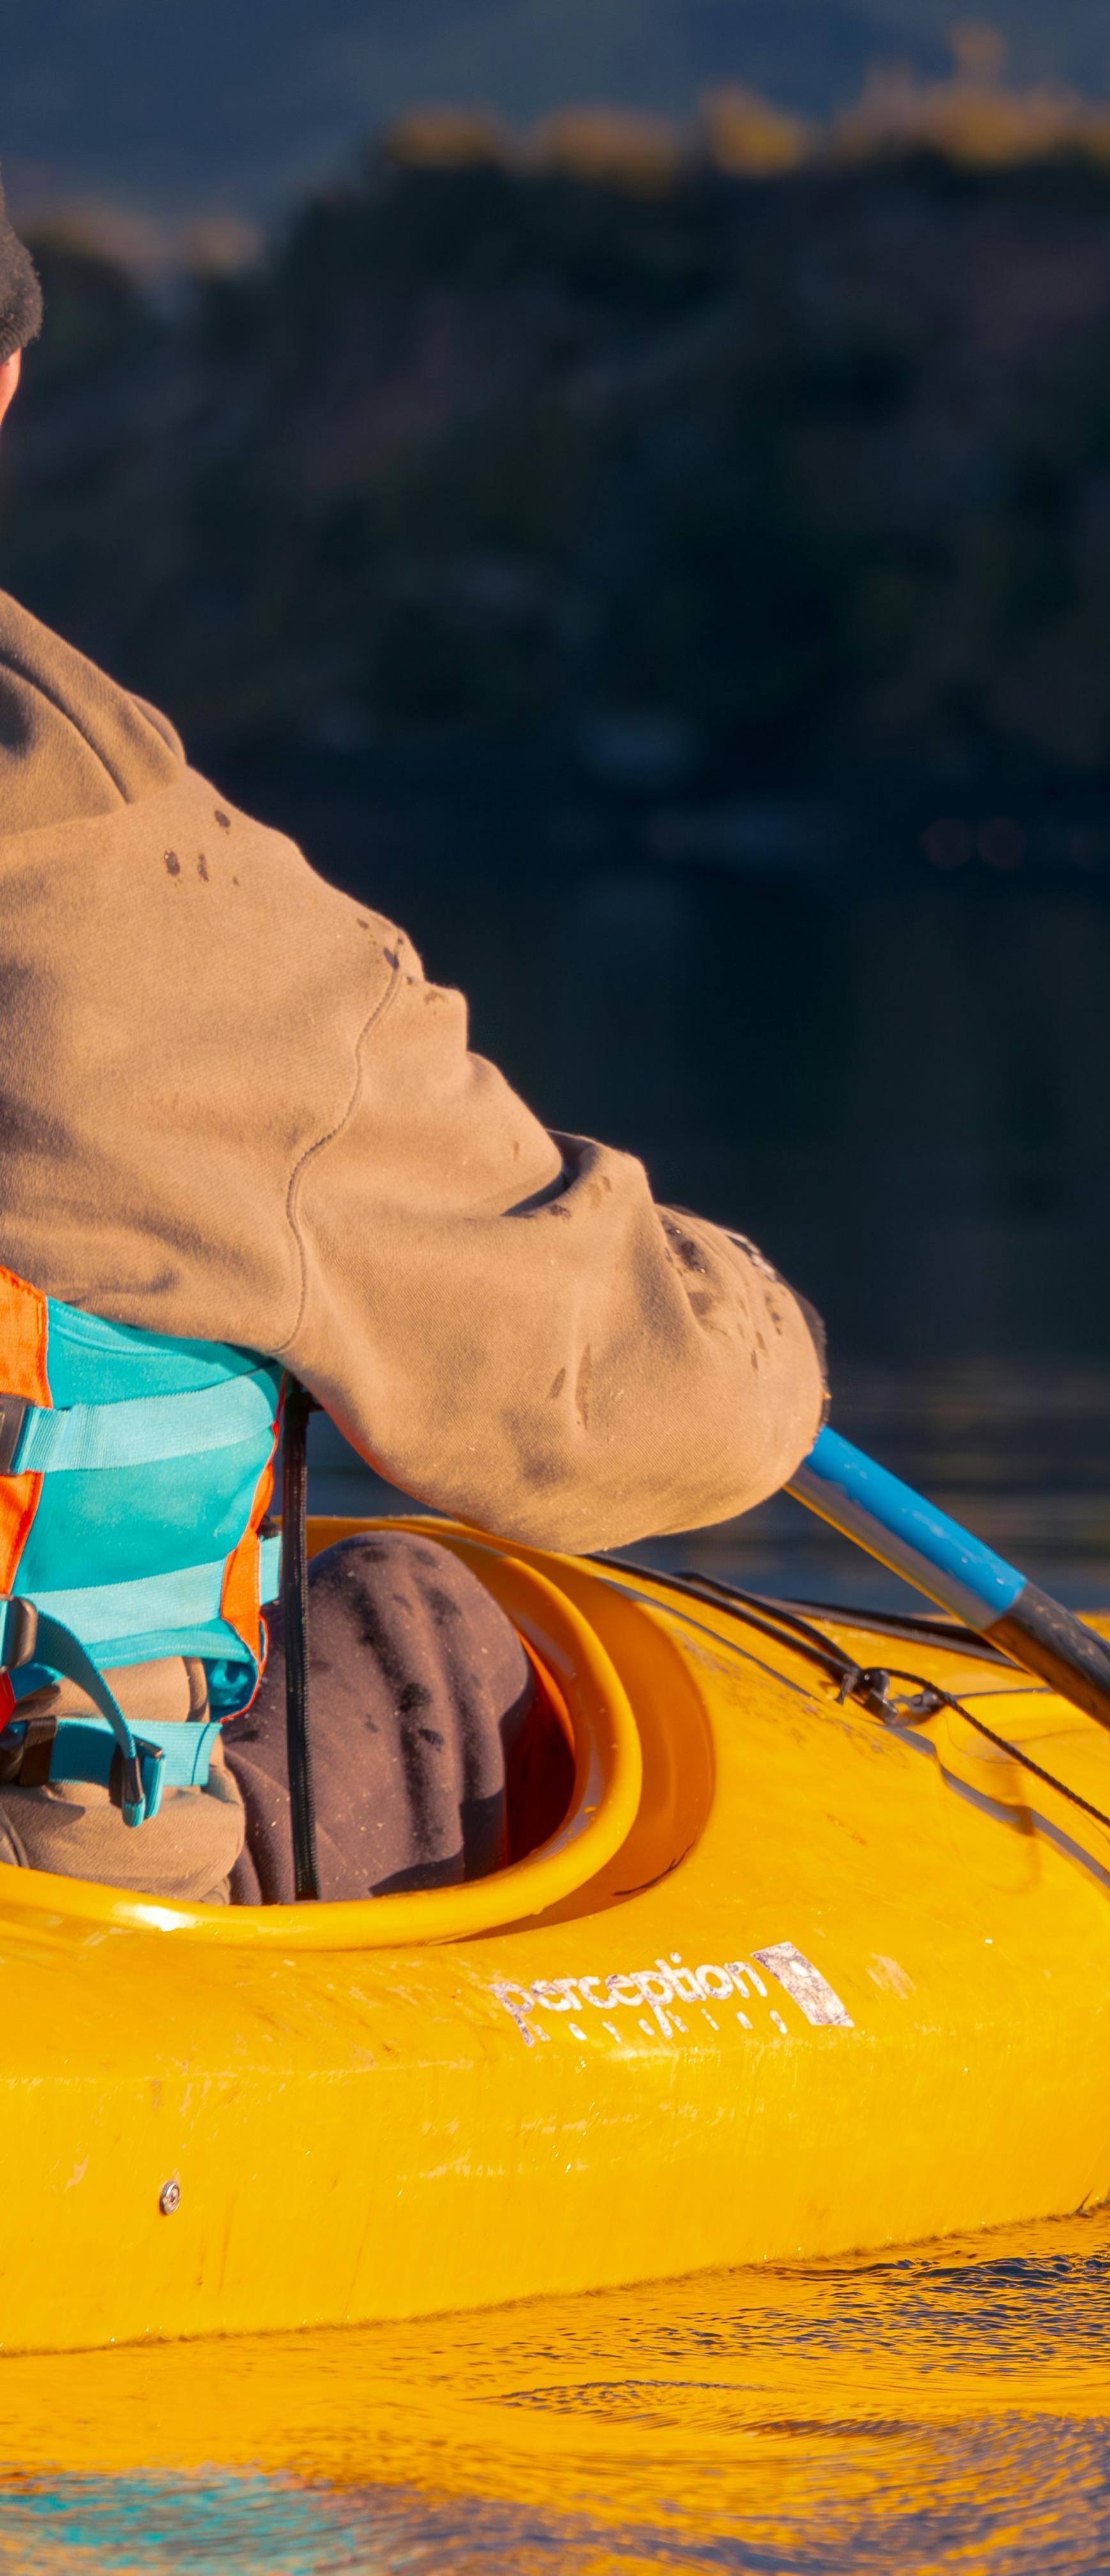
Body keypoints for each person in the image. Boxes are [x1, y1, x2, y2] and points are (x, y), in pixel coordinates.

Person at [0, 188, 826, 1904]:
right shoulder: (111, 889)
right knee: (424, 1626)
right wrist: (760, 1329)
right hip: (62, 1931)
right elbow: (663, 1410)